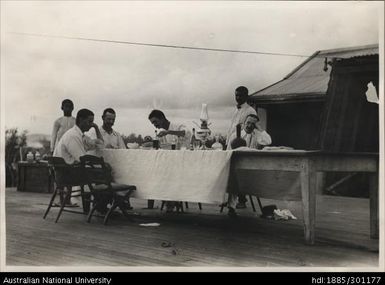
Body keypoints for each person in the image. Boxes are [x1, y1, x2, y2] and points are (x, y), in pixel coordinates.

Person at [226, 114, 272, 216]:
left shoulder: (258, 135)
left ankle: (240, 200)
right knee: (234, 176)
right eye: (248, 123)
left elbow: (268, 141)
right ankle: (231, 207)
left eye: (253, 124)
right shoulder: (235, 135)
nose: (249, 126)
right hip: (237, 167)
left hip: (252, 168)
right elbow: (228, 152)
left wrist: (260, 129)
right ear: (244, 123)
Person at [148, 109, 187, 211]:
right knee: (154, 170)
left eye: (155, 122)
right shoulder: (161, 133)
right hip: (169, 162)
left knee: (169, 173)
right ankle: (166, 198)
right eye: (153, 123)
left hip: (184, 161)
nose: (155, 125)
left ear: (162, 118)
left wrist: (168, 132)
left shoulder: (177, 125)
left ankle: (170, 200)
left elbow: (185, 133)